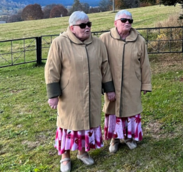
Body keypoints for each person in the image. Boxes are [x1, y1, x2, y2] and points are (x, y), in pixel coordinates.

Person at [45, 11, 116, 172]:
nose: (87, 28)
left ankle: (83, 152)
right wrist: (53, 95)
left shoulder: (98, 44)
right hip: (70, 95)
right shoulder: (59, 43)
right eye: (83, 25)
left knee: (86, 124)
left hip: (92, 94)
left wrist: (109, 89)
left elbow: (105, 68)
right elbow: (51, 70)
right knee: (68, 124)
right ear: (72, 27)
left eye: (89, 24)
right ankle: (65, 157)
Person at [100, 10, 152, 153]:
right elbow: (99, 63)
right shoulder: (105, 38)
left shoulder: (139, 40)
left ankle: (129, 138)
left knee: (131, 111)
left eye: (130, 20)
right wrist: (104, 86)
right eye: (124, 20)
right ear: (115, 22)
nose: (127, 23)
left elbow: (145, 65)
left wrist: (146, 84)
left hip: (132, 84)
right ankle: (115, 139)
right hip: (112, 85)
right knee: (113, 111)